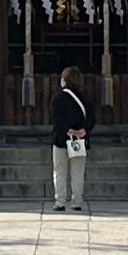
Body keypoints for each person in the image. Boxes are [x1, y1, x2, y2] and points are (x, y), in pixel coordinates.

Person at [48, 64, 93, 212]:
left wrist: (68, 131)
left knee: (60, 172)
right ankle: (77, 202)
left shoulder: (57, 98)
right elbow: (92, 118)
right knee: (78, 173)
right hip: (79, 140)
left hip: (61, 140)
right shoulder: (84, 98)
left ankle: (60, 202)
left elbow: (57, 120)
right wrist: (83, 131)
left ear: (64, 80)